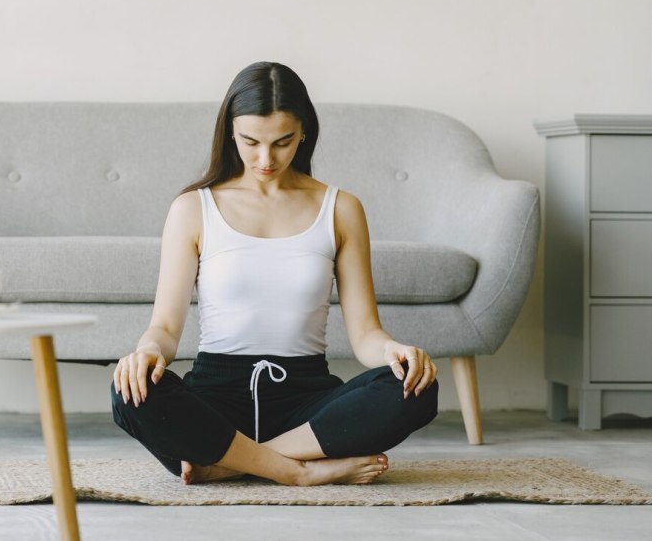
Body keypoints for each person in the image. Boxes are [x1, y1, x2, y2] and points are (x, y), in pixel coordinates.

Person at [111, 62, 438, 486]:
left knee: (418, 387)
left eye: (282, 143)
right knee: (128, 392)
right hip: (215, 395)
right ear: (230, 131)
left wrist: (397, 350)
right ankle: (297, 471)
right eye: (251, 142)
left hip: (307, 399)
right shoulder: (193, 208)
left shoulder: (340, 208)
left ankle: (227, 464)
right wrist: (147, 353)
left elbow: (365, 335)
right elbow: (165, 328)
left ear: (304, 132)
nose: (266, 159)